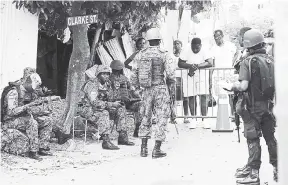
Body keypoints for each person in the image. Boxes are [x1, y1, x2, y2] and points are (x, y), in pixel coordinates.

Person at [221, 29, 277, 184]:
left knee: (252, 139)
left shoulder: (248, 61)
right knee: (270, 138)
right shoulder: (271, 60)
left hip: (251, 107)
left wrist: (231, 86)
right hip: (268, 106)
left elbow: (244, 85)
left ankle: (253, 174)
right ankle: (278, 169)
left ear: (248, 45)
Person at [131, 27, 176, 159]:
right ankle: (157, 149)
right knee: (162, 117)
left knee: (145, 116)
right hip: (160, 88)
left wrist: (138, 88)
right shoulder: (164, 54)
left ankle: (143, 148)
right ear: (159, 40)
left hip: (146, 90)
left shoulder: (140, 54)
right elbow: (171, 74)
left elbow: (134, 75)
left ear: (148, 40)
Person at [1, 73, 56, 160]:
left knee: (47, 120)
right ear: (28, 83)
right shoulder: (14, 92)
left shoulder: (31, 92)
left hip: (23, 117)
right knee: (31, 122)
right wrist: (27, 107)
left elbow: (34, 105)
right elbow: (10, 112)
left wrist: (40, 110)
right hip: (10, 120)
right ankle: (33, 151)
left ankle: (42, 147)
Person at [78, 65, 134, 150]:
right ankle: (105, 140)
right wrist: (110, 105)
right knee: (104, 113)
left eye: (107, 74)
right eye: (103, 74)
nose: (106, 76)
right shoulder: (92, 84)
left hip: (101, 107)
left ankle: (122, 136)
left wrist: (116, 90)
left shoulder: (108, 84)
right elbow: (94, 103)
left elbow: (111, 98)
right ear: (98, 74)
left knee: (120, 109)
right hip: (87, 109)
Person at [178, 37, 214, 129]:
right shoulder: (186, 49)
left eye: (197, 48)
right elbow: (180, 63)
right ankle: (193, 119)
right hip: (190, 75)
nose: (195, 50)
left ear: (200, 46)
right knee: (191, 96)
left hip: (202, 75)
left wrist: (197, 66)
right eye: (193, 48)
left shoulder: (205, 49)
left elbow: (210, 63)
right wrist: (191, 66)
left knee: (203, 96)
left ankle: (204, 119)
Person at [109, 60, 143, 138]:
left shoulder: (124, 78)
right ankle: (122, 133)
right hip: (117, 103)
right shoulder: (109, 79)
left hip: (128, 102)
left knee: (141, 105)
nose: (117, 71)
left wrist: (137, 95)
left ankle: (137, 127)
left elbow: (131, 89)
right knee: (121, 108)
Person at [211, 30, 237, 121]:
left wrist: (233, 64)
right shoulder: (213, 48)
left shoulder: (230, 45)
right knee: (219, 95)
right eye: (215, 37)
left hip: (229, 73)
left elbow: (237, 53)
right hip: (217, 74)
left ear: (222, 36)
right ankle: (222, 116)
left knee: (231, 95)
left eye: (218, 37)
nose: (216, 39)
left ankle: (233, 115)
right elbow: (212, 63)